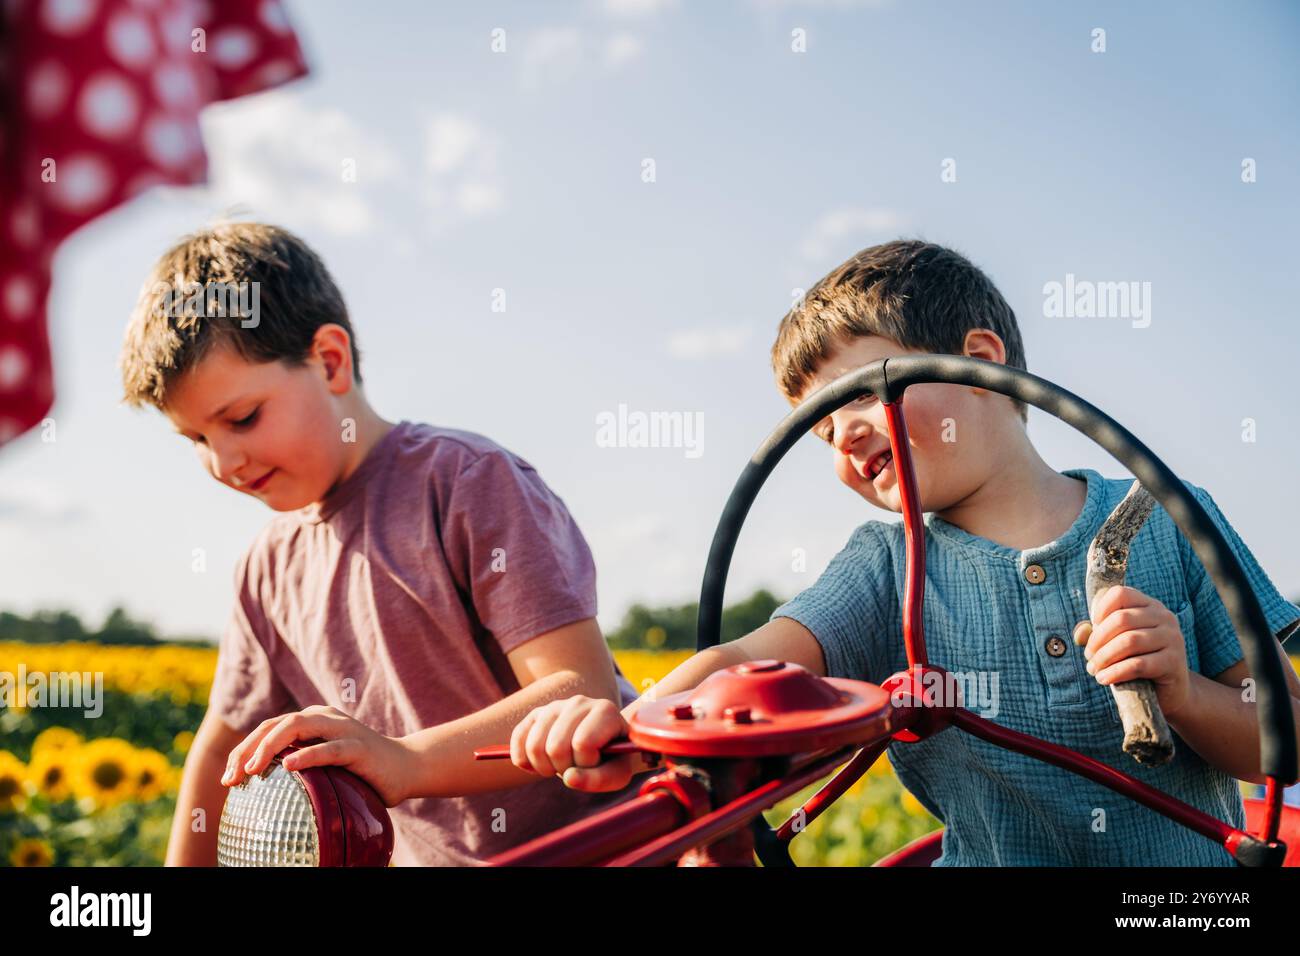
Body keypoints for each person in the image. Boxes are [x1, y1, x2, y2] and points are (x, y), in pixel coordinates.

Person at [508, 240, 1300, 865]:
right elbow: (750, 658)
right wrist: (634, 722)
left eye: (859, 394)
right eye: (818, 431)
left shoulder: (1166, 517)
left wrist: (1186, 692)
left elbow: (1283, 738)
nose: (843, 435)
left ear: (980, 361)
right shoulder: (883, 566)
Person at [118, 222, 636, 865]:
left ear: (330, 361)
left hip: (605, 851)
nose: (224, 462)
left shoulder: (466, 483)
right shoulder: (265, 568)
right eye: (195, 440)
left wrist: (403, 761)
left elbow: (579, 690)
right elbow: (222, 750)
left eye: (242, 419)